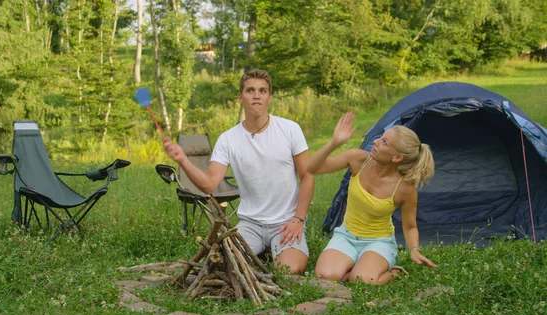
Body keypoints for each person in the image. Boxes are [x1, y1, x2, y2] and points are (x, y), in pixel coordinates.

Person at [163, 68, 314, 274]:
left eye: (262, 91)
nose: (257, 96)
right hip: (250, 223)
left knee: (288, 270)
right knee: (223, 265)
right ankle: (259, 252)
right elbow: (209, 184)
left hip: (286, 222)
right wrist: (183, 159)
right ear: (240, 97)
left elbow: (308, 176)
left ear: (269, 97)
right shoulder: (228, 139)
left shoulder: (290, 129)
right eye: (250, 90)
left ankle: (273, 252)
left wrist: (298, 219)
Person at [308, 112, 437, 285]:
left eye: (384, 142)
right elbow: (312, 168)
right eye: (381, 137)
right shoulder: (358, 160)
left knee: (362, 280)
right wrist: (334, 143)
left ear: (397, 157)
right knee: (325, 275)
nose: (375, 141)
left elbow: (410, 226)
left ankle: (393, 272)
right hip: (346, 236)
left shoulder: (404, 187)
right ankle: (357, 266)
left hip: (379, 241)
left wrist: (414, 249)